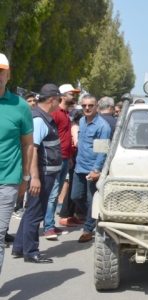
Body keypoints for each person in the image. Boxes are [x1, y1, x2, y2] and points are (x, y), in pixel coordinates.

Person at [13, 84, 63, 264]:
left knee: (31, 212)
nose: (60, 102)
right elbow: (32, 150)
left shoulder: (42, 117)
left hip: (44, 173)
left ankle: (20, 247)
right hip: (41, 174)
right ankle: (31, 251)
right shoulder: (39, 119)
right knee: (35, 213)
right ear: (51, 100)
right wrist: (34, 178)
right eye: (59, 99)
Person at [0, 53, 35, 273]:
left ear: (8, 74)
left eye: (1, 71)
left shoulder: (20, 106)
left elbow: (28, 145)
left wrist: (25, 177)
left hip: (7, 181)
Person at [71, 94, 112, 243]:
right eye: (84, 105)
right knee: (75, 196)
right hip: (79, 167)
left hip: (92, 169)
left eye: (90, 105)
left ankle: (88, 229)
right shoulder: (81, 121)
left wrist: (96, 170)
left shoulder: (103, 126)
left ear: (96, 107)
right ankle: (94, 216)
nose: (87, 108)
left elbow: (103, 150)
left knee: (90, 200)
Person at [41, 84, 79, 240]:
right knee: (52, 193)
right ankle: (48, 226)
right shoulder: (56, 113)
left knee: (55, 192)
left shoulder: (66, 114)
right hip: (55, 158)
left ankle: (50, 223)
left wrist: (69, 157)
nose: (74, 96)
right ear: (62, 95)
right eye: (72, 93)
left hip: (64, 158)